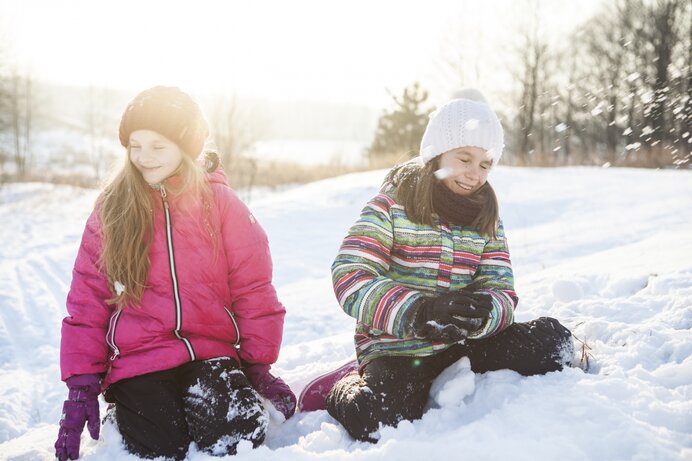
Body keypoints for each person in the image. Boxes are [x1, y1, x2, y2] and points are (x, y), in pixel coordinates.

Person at [298, 89, 575, 442]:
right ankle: (346, 385)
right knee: (378, 420)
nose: (474, 174)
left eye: (485, 164)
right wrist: (418, 311)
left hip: (462, 344)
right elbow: (351, 274)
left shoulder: (485, 217)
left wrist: (484, 314)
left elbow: (501, 286)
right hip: (397, 346)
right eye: (465, 158)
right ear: (437, 151)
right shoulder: (391, 207)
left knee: (555, 345)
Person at [54, 86, 296, 461]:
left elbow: (253, 287)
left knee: (238, 432)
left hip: (211, 350)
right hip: (140, 358)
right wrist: (82, 383)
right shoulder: (113, 209)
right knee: (160, 445)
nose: (144, 158)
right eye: (136, 145)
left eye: (158, 146)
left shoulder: (220, 204)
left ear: (187, 147)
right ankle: (128, 414)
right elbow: (88, 297)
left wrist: (257, 364)